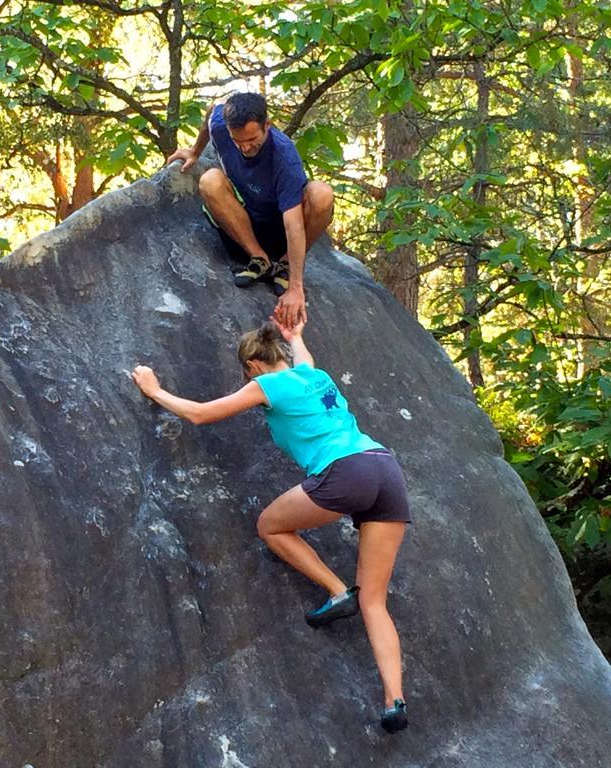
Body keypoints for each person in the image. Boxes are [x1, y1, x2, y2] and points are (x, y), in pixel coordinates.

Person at [130, 317, 411, 733]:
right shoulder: (313, 375)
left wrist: (154, 390)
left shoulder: (267, 385)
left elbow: (203, 415)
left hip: (345, 473)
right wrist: (296, 335)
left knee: (270, 526)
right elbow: (305, 359)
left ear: (253, 366)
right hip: (386, 470)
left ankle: (336, 591)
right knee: (375, 601)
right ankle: (394, 700)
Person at [166, 93, 334, 328]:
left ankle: (283, 266)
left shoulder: (284, 157)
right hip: (244, 225)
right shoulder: (220, 125)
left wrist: (296, 288)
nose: (245, 147)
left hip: (282, 233)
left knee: (322, 194)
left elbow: (293, 224)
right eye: (238, 141)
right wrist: (195, 151)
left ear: (267, 125)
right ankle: (259, 259)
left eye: (252, 139)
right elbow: (214, 109)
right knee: (209, 180)